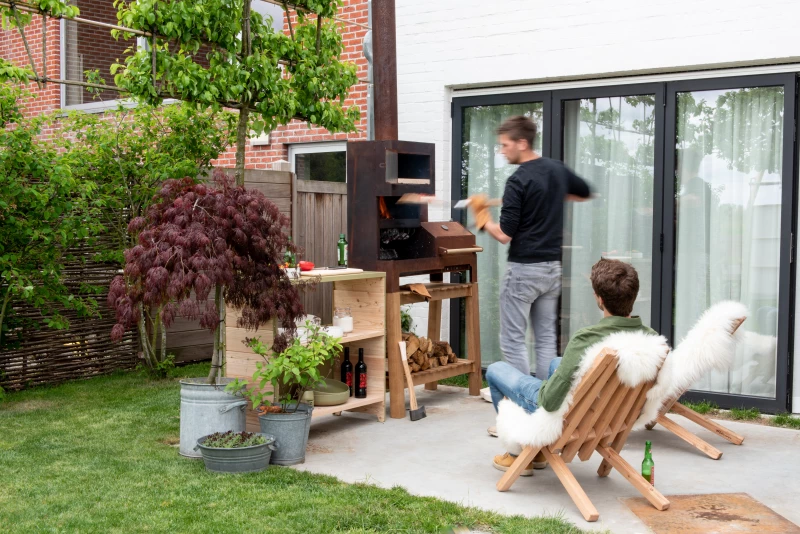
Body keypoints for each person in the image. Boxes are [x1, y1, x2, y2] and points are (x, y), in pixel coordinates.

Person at [487, 258, 657, 475]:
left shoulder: (587, 339)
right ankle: (538, 453)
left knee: (496, 370)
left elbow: (548, 402)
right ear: (633, 297)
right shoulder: (651, 339)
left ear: (599, 299)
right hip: (610, 417)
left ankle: (518, 454)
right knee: (556, 363)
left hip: (574, 418)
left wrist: (552, 385)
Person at [470, 115, 591, 412]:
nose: (502, 151)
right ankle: (549, 404)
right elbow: (584, 192)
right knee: (546, 339)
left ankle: (523, 406)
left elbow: (504, 235)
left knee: (513, 340)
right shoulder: (556, 170)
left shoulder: (519, 180)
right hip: (551, 269)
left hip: (524, 271)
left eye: (505, 145)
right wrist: (553, 195)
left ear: (522, 143)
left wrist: (482, 218)